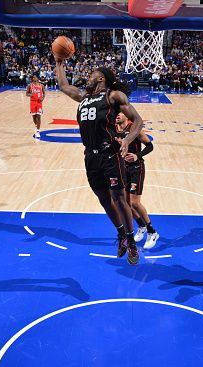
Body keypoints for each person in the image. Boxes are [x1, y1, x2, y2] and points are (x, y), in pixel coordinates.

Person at [54, 58, 143, 265]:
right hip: (90, 156)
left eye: (92, 73)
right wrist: (59, 62)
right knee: (104, 200)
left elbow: (138, 121)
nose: (88, 76)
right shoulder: (84, 97)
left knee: (120, 198)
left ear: (101, 78)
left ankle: (131, 241)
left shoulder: (113, 96)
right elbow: (63, 86)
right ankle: (121, 234)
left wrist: (128, 140)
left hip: (110, 153)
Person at [115, 112, 159, 249]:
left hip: (136, 168)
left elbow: (150, 146)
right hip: (122, 169)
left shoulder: (135, 130)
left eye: (119, 113)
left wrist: (137, 155)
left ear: (126, 116)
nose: (116, 115)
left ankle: (152, 232)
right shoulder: (114, 130)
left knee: (134, 202)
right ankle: (141, 226)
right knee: (126, 203)